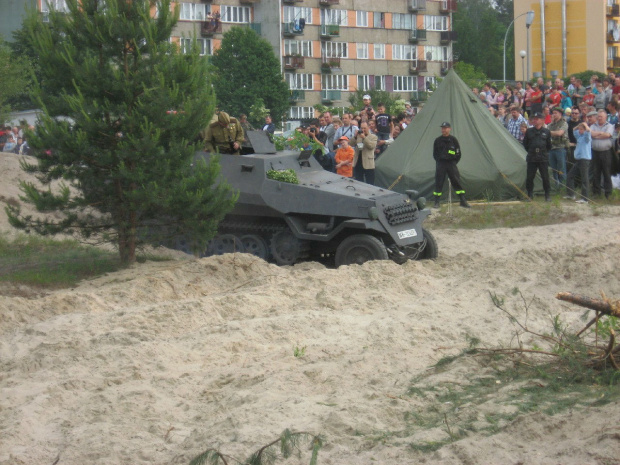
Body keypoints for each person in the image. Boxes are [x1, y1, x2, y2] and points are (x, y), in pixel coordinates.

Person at [432, 122, 470, 208]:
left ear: (449, 129)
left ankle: (462, 200)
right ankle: (437, 201)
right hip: (441, 164)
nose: (443, 130)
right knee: (439, 182)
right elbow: (435, 154)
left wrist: (453, 162)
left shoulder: (453, 140)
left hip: (451, 164)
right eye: (442, 128)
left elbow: (458, 153)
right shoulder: (437, 140)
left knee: (456, 181)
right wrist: (439, 161)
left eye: (445, 128)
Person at [523, 111, 552, 201]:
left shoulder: (546, 132)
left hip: (542, 157)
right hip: (532, 157)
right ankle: (530, 194)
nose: (535, 120)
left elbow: (549, 145)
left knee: (545, 177)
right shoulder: (529, 131)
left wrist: (542, 152)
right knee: (530, 177)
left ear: (542, 120)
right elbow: (526, 144)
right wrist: (532, 151)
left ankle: (547, 195)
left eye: (537, 119)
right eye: (534, 119)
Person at [590, 109, 614, 199]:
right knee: (596, 172)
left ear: (605, 117)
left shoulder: (610, 126)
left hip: (606, 152)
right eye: (598, 116)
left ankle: (608, 193)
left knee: (606, 172)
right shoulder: (593, 125)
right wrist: (601, 134)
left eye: (601, 117)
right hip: (595, 152)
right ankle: (596, 192)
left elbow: (607, 135)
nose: (599, 118)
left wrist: (596, 135)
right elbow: (590, 134)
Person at [564, 122, 591, 203]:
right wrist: (579, 126)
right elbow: (573, 130)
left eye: (581, 129)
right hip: (578, 159)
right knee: (570, 175)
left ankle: (585, 198)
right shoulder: (579, 136)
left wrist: (585, 125)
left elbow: (588, 131)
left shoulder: (587, 137)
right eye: (579, 129)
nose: (580, 131)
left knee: (584, 178)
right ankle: (571, 194)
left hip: (584, 159)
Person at [548, 107, 569, 189]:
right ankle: (556, 186)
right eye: (553, 113)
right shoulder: (550, 125)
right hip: (552, 148)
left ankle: (563, 187)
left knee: (561, 169)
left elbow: (560, 133)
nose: (554, 115)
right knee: (553, 169)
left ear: (560, 114)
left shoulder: (564, 123)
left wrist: (549, 132)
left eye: (556, 113)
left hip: (560, 148)